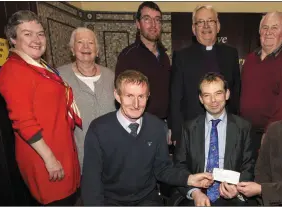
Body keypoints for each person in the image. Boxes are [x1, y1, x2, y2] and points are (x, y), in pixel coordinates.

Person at [81, 70, 214, 206]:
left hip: (147, 199)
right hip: (111, 201)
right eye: (129, 96)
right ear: (117, 95)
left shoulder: (156, 127)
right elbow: (91, 180)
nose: (136, 104)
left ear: (148, 96)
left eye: (141, 96)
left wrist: (190, 179)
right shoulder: (99, 129)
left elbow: (162, 169)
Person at [0, 10, 81, 205]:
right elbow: (23, 122)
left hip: (62, 152)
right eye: (27, 33)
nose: (36, 39)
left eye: (40, 33)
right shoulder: (13, 70)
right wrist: (50, 159)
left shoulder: (39, 67)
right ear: (12, 39)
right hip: (44, 159)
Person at [173, 72, 256, 206]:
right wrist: (195, 192)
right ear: (201, 99)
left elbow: (249, 166)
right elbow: (179, 166)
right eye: (207, 95)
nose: (213, 100)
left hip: (232, 195)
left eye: (218, 93)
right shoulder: (188, 128)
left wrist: (237, 190)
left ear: (227, 94)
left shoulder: (243, 127)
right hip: (197, 194)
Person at [169, 5, 241, 145]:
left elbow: (236, 91)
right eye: (200, 22)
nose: (206, 26)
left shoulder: (231, 54)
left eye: (210, 21)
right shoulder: (182, 57)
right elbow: (175, 97)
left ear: (218, 26)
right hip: (192, 130)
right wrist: (177, 132)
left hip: (225, 129)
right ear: (193, 29)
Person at [240, 11, 282, 156]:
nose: (268, 32)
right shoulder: (250, 59)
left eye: (274, 28)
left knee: (265, 177)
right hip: (245, 132)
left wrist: (269, 133)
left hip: (271, 134)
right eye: (265, 27)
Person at [115, 2, 174, 145]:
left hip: (163, 126)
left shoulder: (164, 56)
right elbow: (122, 96)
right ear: (138, 23)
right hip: (140, 126)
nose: (153, 24)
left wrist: (171, 126)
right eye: (147, 19)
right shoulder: (128, 56)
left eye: (157, 20)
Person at [57, 27, 116, 171]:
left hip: (112, 151)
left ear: (97, 50)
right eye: (80, 42)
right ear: (72, 49)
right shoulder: (60, 77)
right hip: (80, 153)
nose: (85, 47)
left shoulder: (110, 75)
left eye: (90, 43)